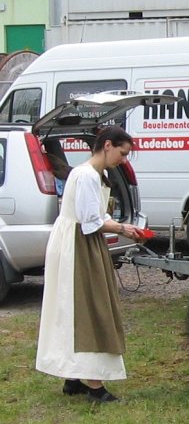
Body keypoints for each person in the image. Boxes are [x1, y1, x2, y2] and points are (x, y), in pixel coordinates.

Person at [36, 126, 143, 403]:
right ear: (108, 145)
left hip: (81, 242)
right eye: (122, 152)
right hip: (78, 245)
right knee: (88, 308)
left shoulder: (94, 175)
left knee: (74, 307)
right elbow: (89, 220)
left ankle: (73, 378)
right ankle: (94, 385)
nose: (123, 159)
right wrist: (122, 228)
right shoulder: (86, 176)